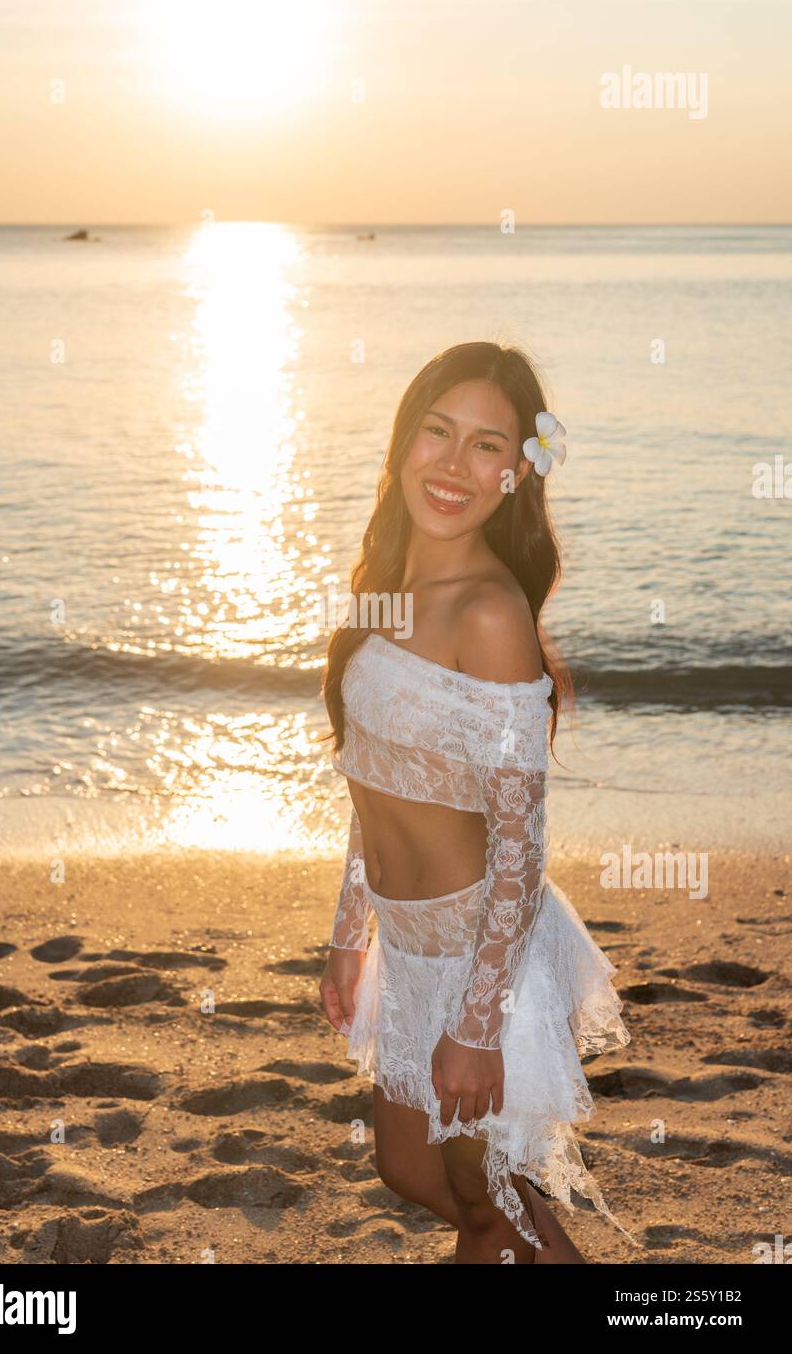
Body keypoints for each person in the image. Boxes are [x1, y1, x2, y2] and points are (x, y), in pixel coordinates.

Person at [318, 341, 636, 1264]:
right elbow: (370, 775)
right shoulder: (383, 590)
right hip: (407, 940)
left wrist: (476, 1025)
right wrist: (349, 933)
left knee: (485, 1198)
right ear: (401, 440)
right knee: (413, 1174)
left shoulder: (488, 615)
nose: (454, 465)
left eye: (486, 445)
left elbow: (518, 844)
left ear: (516, 474)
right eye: (437, 431)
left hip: (476, 953)